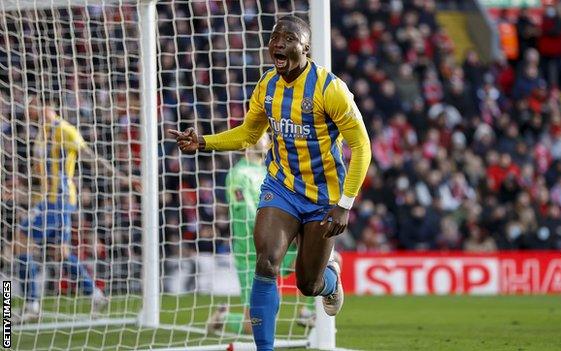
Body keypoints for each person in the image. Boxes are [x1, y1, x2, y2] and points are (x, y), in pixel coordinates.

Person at [169, 15, 371, 351]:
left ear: (305, 47)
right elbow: (249, 134)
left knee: (308, 283)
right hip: (281, 188)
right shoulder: (266, 85)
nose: (278, 43)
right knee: (266, 262)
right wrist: (204, 142)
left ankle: (330, 281)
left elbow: (362, 147)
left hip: (324, 197)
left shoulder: (329, 89)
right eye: (275, 37)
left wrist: (345, 204)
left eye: (288, 38)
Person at [15, 95, 140, 321]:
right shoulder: (41, 135)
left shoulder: (65, 130)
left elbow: (90, 157)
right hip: (48, 200)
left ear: (47, 105)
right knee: (61, 253)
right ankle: (95, 294)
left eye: (32, 104)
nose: (27, 109)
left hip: (60, 199)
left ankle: (32, 304)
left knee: (20, 242)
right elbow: (39, 174)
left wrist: (123, 179)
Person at [207, 135, 315, 335]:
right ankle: (223, 318)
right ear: (249, 141)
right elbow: (247, 216)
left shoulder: (271, 171)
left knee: (328, 258)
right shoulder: (239, 175)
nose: (266, 137)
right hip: (252, 254)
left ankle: (307, 312)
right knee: (257, 325)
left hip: (279, 245)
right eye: (262, 134)